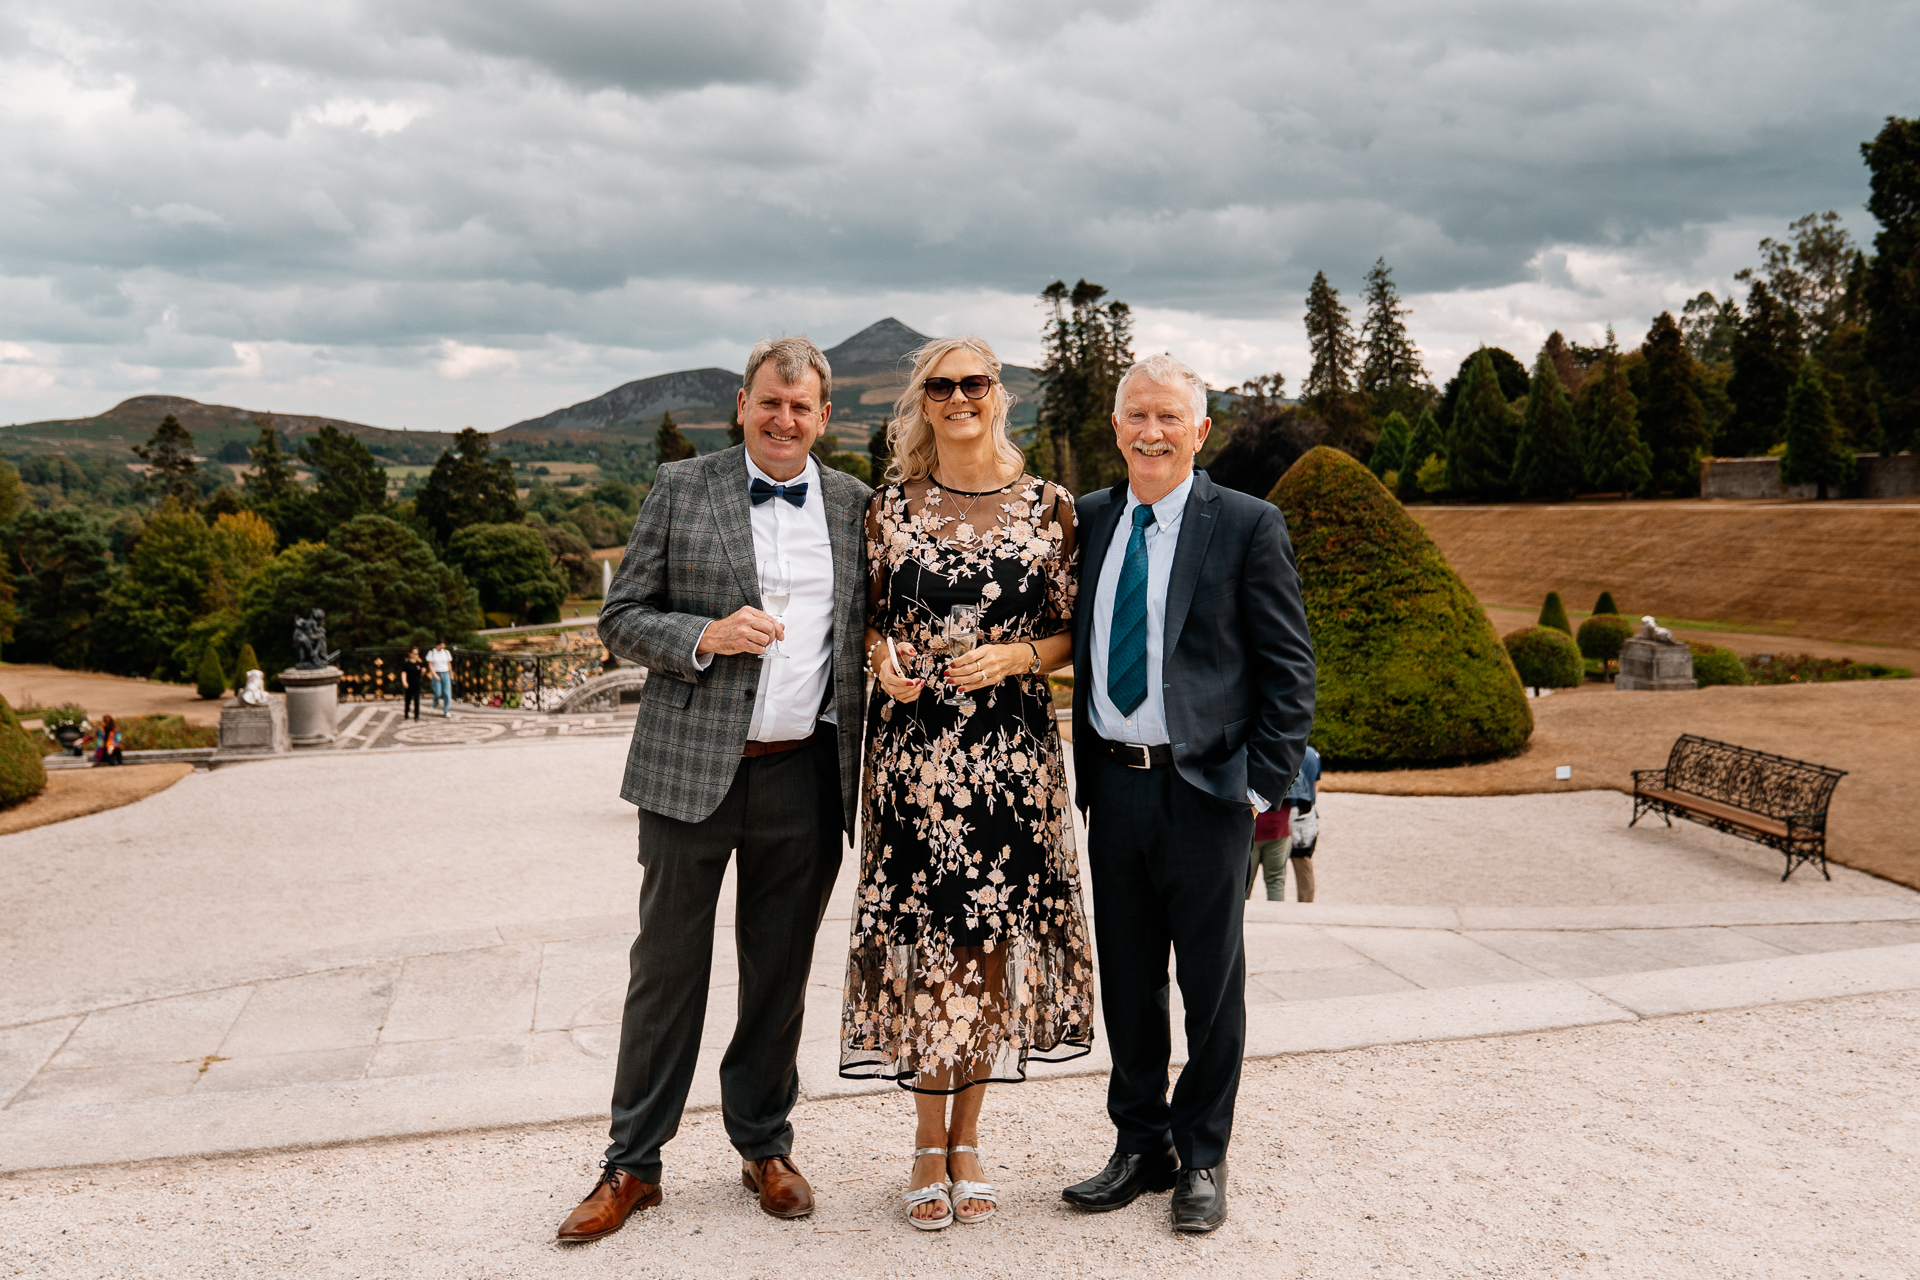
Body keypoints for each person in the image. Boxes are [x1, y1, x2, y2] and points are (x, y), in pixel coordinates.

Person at [556, 336, 871, 1244]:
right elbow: (621, 619)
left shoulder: (852, 506)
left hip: (806, 776)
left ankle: (764, 1144)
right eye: (770, 403)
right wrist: (702, 636)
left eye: (801, 407)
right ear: (742, 404)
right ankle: (631, 1164)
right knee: (666, 972)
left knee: (778, 974)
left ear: (822, 417)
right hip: (689, 773)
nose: (784, 420)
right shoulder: (681, 487)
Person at [841, 336, 1092, 1231]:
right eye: (940, 386)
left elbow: (1070, 633)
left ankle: (969, 1140)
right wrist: (888, 660)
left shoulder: (1051, 509)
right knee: (923, 939)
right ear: (922, 402)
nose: (958, 397)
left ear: (999, 395)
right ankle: (922, 1140)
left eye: (973, 382)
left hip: (1010, 760)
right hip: (914, 760)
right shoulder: (888, 508)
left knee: (986, 942)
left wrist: (1019, 654)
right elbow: (868, 625)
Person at [1062, 354, 1315, 1235]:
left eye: (1170, 417)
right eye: (1138, 415)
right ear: (1116, 425)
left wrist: (1257, 789)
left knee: (1211, 989)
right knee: (1129, 985)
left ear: (1200, 431)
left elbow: (1290, 670)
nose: (1152, 432)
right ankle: (1140, 1148)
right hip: (1114, 791)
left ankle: (1202, 1155)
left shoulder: (1247, 524)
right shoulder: (1089, 519)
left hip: (1207, 793)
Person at [426, 640, 453, 716]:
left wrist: (451, 674)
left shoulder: (446, 652)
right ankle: (435, 702)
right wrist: (434, 674)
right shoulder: (431, 652)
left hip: (445, 673)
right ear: (436, 645)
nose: (441, 647)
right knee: (438, 693)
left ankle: (446, 710)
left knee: (447, 693)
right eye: (440, 645)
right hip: (437, 673)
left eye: (443, 645)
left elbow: (449, 664)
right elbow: (430, 665)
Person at [399, 646, 426, 721]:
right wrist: (404, 682)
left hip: (417, 684)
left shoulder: (418, 664)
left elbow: (420, 675)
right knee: (408, 700)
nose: (415, 655)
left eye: (417, 654)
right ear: (410, 654)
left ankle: (416, 715)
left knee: (417, 700)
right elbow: (403, 673)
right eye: (414, 653)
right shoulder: (406, 664)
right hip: (409, 684)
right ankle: (406, 713)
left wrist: (423, 672)